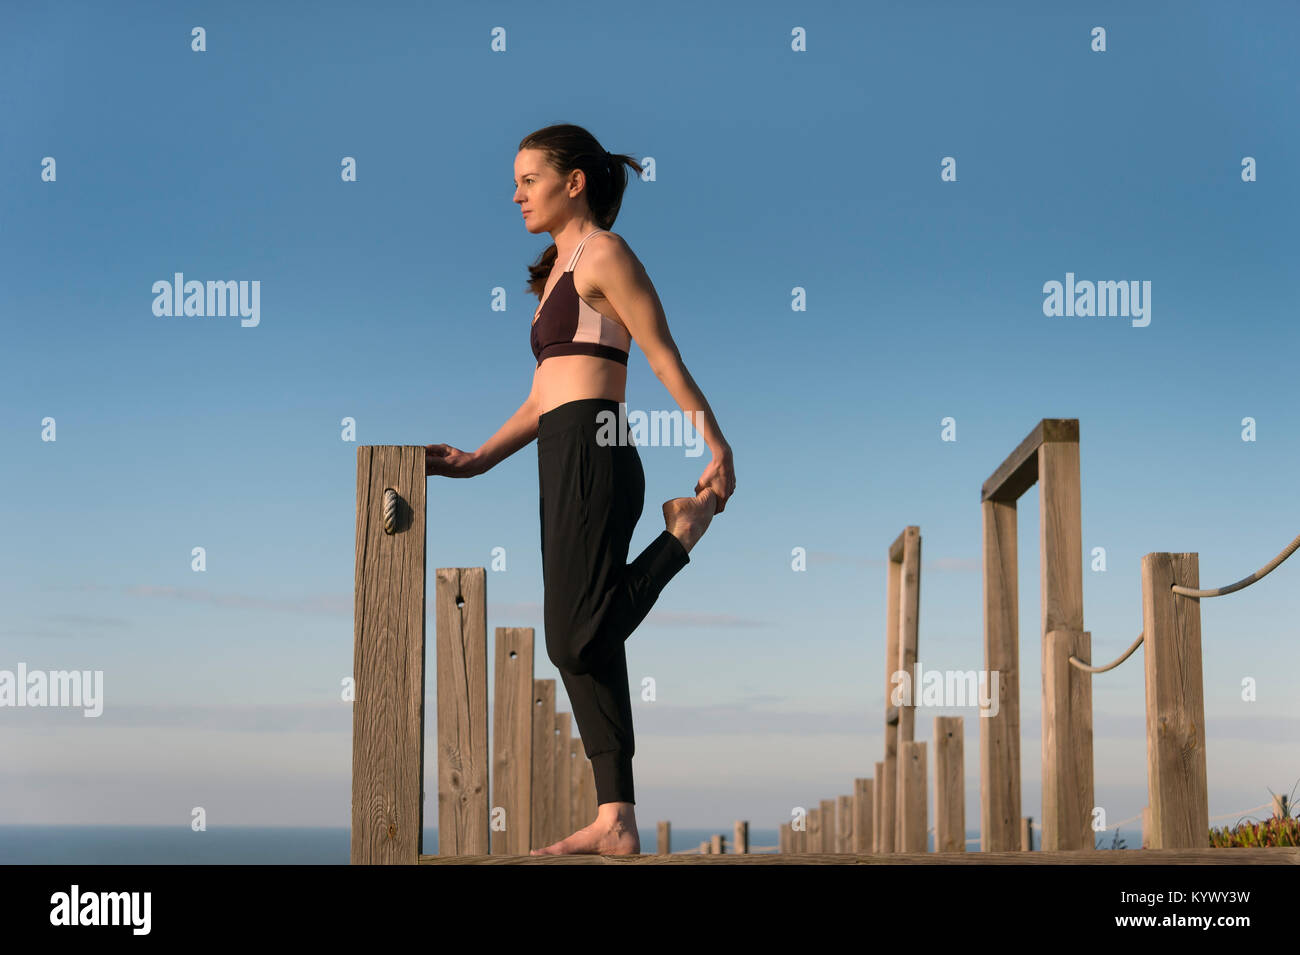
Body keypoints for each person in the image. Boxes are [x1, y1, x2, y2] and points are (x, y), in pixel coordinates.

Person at [425, 123, 735, 856]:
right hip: (559, 453)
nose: (516, 193)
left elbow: (662, 354)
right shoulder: (555, 274)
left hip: (598, 449)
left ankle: (685, 529)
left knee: (573, 634)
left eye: (528, 179)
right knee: (582, 642)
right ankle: (617, 815)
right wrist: (475, 461)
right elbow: (540, 400)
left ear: (575, 182)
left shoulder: (608, 255)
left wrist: (713, 440)